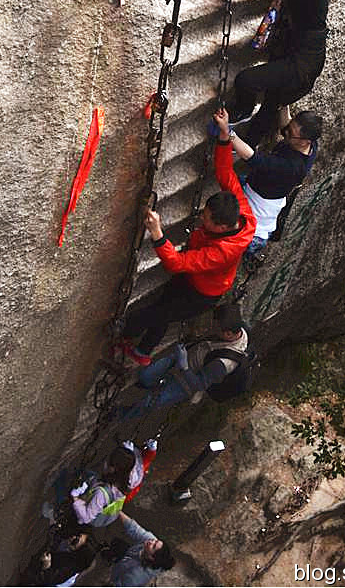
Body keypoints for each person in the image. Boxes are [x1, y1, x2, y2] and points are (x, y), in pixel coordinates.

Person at [118, 133, 255, 365]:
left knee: (157, 313)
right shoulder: (241, 212)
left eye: (208, 219)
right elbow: (226, 174)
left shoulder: (224, 251)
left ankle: (124, 333)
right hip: (196, 278)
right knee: (164, 308)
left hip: (202, 293)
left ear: (222, 227)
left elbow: (177, 263)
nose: (202, 218)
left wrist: (158, 234)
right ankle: (142, 353)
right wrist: (224, 137)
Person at [219, 0, 345, 147]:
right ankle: (248, 149)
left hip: (299, 64)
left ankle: (243, 111)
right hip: (305, 53)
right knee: (271, 103)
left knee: (247, 81)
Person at [211, 105, 320, 267]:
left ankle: (249, 253)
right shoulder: (307, 145)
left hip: (257, 220)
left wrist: (228, 132)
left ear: (305, 142)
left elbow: (254, 159)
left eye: (291, 133)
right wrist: (283, 101)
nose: (286, 132)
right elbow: (286, 124)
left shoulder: (293, 167)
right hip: (257, 187)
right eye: (290, 128)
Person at [114, 303, 249, 425]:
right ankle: (146, 383)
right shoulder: (240, 331)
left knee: (150, 402)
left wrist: (184, 365)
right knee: (145, 376)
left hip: (184, 384)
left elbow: (197, 384)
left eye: (217, 328)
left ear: (229, 334)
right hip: (185, 357)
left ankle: (121, 414)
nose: (212, 328)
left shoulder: (223, 364)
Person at [70, 440, 157, 528]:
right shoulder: (126, 481)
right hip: (107, 510)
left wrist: (75, 497)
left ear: (112, 468)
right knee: (89, 476)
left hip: (92, 514)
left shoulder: (101, 494)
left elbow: (86, 518)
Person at [105, 517, 175, 587]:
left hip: (122, 577)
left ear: (151, 557)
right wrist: (118, 511)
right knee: (116, 543)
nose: (151, 541)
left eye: (153, 546)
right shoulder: (150, 541)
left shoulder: (136, 576)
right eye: (155, 541)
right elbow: (134, 528)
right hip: (129, 557)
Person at [26, 533, 97, 587]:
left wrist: (47, 564)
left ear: (80, 552)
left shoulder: (70, 568)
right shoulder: (69, 553)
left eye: (76, 541)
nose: (73, 537)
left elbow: (48, 580)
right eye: (77, 535)